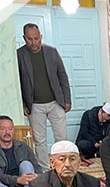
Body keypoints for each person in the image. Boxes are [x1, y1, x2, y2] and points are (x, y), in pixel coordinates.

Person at [17, 23, 72, 171]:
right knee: (40, 141)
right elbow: (18, 81)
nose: (34, 42)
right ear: (24, 38)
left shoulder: (51, 52)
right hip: (34, 105)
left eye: (36, 38)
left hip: (56, 102)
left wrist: (67, 99)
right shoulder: (19, 54)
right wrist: (23, 104)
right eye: (30, 39)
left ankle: (63, 167)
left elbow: (62, 76)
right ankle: (45, 170)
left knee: (62, 138)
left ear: (41, 36)